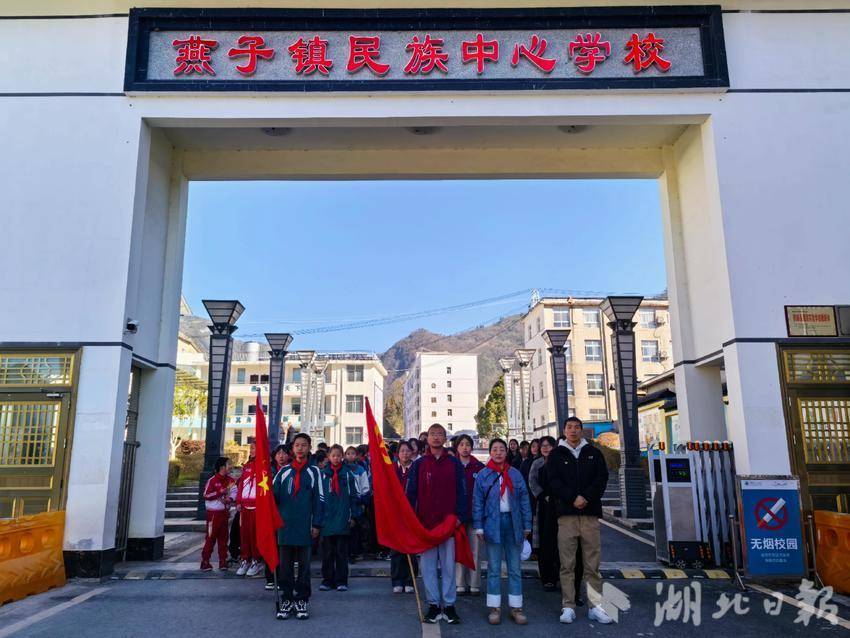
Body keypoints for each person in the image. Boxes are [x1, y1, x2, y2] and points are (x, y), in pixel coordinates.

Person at [546, 417, 612, 625]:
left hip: (590, 515)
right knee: (567, 564)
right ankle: (568, 606)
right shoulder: (556, 454)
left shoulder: (593, 453)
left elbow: (601, 478)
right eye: (569, 427)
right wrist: (572, 498)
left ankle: (595, 607)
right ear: (564, 430)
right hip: (567, 516)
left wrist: (586, 497)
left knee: (592, 564)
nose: (573, 430)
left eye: (576, 427)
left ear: (582, 430)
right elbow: (553, 481)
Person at [406, 423, 467, 624]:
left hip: (449, 524)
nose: (436, 437)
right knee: (428, 568)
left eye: (440, 434)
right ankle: (433, 605)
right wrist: (412, 520)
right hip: (426, 526)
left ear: (445, 438)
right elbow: (410, 494)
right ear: (427, 438)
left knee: (449, 567)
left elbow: (463, 491)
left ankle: (449, 606)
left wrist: (459, 517)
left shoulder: (454, 463)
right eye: (433, 434)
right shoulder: (419, 464)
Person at [473, 438, 532, 625]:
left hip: (513, 523)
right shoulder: (483, 475)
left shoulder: (515, 474)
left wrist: (527, 524)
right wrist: (479, 526)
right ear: (490, 452)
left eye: (501, 449)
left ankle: (516, 608)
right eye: (495, 449)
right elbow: (477, 502)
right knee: (494, 569)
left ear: (507, 452)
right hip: (492, 524)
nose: (498, 452)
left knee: (515, 568)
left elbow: (524, 499)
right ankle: (495, 608)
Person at [273, 433, 325, 620]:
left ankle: (302, 599)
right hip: (285, 526)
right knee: (285, 567)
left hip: (305, 526)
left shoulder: (314, 472)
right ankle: (287, 599)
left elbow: (320, 499)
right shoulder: (283, 472)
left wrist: (317, 523)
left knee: (304, 567)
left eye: (304, 445)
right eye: (297, 445)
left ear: (309, 448)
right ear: (292, 449)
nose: (300, 448)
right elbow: (273, 498)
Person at [528, 435, 581, 596]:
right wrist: (542, 495)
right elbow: (532, 481)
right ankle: (547, 578)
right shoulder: (537, 463)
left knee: (563, 542)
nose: (545, 448)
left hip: (561, 506)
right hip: (544, 507)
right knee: (545, 542)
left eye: (548, 445)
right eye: (542, 445)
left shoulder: (561, 462)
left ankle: (562, 576)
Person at [319, 444, 360, 592]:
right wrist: (318, 519)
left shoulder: (348, 474)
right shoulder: (323, 475)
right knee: (327, 553)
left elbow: (354, 496)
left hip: (343, 518)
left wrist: (354, 515)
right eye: (333, 455)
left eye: (338, 455)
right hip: (327, 519)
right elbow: (318, 498)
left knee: (342, 552)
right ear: (329, 457)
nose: (336, 458)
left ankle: (341, 580)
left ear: (342, 456)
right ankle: (327, 580)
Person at [454, 434, 484, 596]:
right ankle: (459, 583)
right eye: (462, 444)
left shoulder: (479, 467)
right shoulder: (452, 465)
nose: (465, 447)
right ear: (457, 447)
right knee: (459, 549)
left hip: (475, 515)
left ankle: (474, 583)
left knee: (475, 551)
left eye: (467, 444)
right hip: (458, 516)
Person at [200, 457, 236, 571]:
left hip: (224, 514)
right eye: (228, 464)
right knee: (210, 538)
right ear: (222, 467)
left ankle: (223, 562)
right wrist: (220, 492)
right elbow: (206, 495)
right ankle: (205, 562)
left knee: (224, 538)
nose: (230, 467)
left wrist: (229, 499)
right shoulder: (212, 480)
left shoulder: (231, 480)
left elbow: (235, 492)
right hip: (213, 515)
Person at [391, 440, 417, 594]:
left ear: (412, 453)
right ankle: (397, 580)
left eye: (408, 451)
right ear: (397, 454)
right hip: (395, 514)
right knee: (396, 549)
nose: (405, 454)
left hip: (412, 513)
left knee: (411, 548)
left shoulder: (416, 468)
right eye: (402, 451)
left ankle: (410, 580)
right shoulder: (392, 469)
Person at [265, 442, 291, 590]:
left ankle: (284, 578)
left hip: (286, 514)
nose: (281, 456)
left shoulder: (292, 471)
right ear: (274, 456)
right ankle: (270, 577)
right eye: (278, 453)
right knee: (271, 545)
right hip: (271, 514)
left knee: (284, 548)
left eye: (284, 453)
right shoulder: (268, 472)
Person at [236, 439, 263, 577]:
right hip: (245, 507)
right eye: (251, 448)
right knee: (244, 535)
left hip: (257, 507)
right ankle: (245, 559)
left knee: (255, 535)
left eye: (254, 448)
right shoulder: (246, 466)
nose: (252, 450)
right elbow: (241, 485)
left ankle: (256, 560)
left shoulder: (264, 466)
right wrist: (238, 502)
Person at [345, 445, 370, 562]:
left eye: (353, 453)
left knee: (356, 528)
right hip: (345, 502)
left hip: (357, 503)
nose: (350, 456)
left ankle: (355, 552)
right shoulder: (343, 469)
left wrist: (363, 501)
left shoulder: (361, 469)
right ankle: (346, 552)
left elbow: (365, 487)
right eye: (348, 453)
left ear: (356, 456)